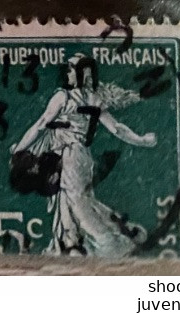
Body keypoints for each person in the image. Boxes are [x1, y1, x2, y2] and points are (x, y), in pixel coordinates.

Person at [9, 54, 157, 257]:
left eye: (71, 68)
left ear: (82, 73)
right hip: (81, 158)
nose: (67, 72)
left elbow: (41, 124)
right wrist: (141, 140)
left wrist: (20, 149)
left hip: (70, 156)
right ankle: (78, 243)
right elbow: (117, 129)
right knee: (75, 201)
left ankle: (108, 241)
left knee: (79, 203)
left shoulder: (63, 97)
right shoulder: (93, 98)